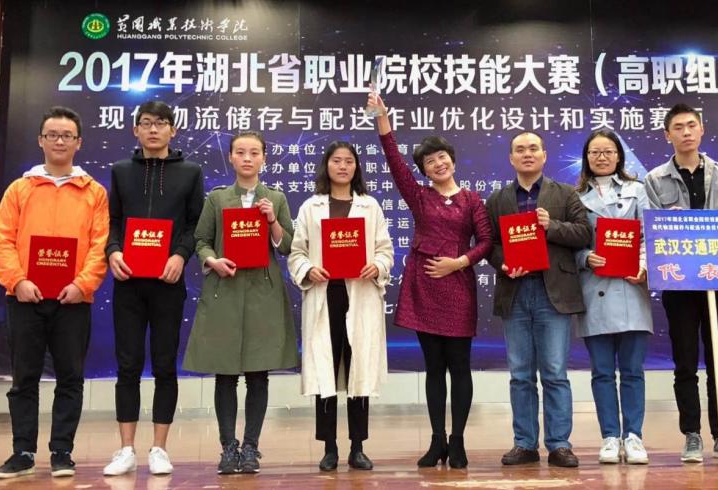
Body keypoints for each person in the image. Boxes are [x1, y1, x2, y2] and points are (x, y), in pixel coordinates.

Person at [369, 92, 492, 468]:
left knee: (460, 367)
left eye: (442, 157)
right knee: (434, 367)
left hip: (458, 288)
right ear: (424, 170)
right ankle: (437, 440)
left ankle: (458, 441)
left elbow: (486, 242)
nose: (438, 163)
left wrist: (459, 262)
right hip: (424, 287)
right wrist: (383, 120)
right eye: (429, 161)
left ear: (452, 160)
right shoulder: (419, 197)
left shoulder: (472, 200)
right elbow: (394, 161)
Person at [0, 106, 109, 479]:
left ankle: (62, 452)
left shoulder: (94, 192)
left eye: (67, 135)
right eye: (53, 135)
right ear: (41, 140)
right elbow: (3, 241)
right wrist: (17, 281)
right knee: (24, 379)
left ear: (79, 143)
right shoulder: (19, 189)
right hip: (25, 298)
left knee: (70, 378)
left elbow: (100, 245)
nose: (60, 141)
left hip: (73, 300)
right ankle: (22, 452)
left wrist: (82, 284)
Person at [182, 131, 299, 474]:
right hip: (227, 290)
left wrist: (272, 220)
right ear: (231, 157)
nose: (248, 158)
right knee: (225, 374)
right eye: (241, 153)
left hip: (263, 293)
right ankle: (227, 447)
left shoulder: (275, 198)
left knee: (259, 374)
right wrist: (212, 260)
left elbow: (287, 245)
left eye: (254, 153)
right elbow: (201, 240)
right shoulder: (217, 199)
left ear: (264, 158)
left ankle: (250, 447)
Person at [644, 102, 718, 463]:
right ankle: (691, 435)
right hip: (679, 284)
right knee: (685, 361)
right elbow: (650, 230)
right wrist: (668, 221)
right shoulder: (655, 179)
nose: (686, 132)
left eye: (692, 125)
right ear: (667, 135)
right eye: (678, 127)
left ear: (702, 130)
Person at [102, 101, 205, 477]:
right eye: (146, 123)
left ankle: (160, 448)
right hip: (128, 281)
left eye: (161, 123)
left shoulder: (190, 172)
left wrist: (180, 256)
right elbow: (112, 220)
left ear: (172, 130)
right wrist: (113, 251)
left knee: (164, 365)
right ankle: (126, 449)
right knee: (127, 365)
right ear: (136, 130)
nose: (153, 130)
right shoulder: (121, 171)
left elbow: (195, 224)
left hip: (168, 282)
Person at [485, 130, 592, 468]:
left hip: (553, 294)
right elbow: (489, 244)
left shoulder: (565, 193)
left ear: (544, 155)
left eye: (533, 148)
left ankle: (559, 444)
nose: (527, 154)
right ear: (511, 158)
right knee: (520, 374)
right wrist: (503, 263)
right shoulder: (498, 199)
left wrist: (552, 226)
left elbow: (584, 233)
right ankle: (525, 443)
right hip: (515, 291)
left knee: (555, 373)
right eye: (520, 149)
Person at [287, 141, 394, 472]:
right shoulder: (311, 207)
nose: (343, 166)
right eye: (337, 160)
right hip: (325, 295)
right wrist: (308, 269)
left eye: (349, 161)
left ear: (357, 167)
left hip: (360, 295)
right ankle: (329, 447)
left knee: (358, 369)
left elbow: (385, 249)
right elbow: (297, 252)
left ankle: (357, 447)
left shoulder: (370, 206)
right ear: (327, 165)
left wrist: (378, 265)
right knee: (326, 371)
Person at [574, 129, 653, 465]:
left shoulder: (638, 190)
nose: (602, 157)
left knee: (632, 370)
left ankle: (634, 436)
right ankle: (609, 436)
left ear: (619, 155)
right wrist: (584, 257)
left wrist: (644, 266)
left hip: (630, 287)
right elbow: (569, 242)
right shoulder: (574, 196)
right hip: (594, 290)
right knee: (602, 372)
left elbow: (649, 235)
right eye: (595, 152)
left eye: (608, 151)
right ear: (586, 158)